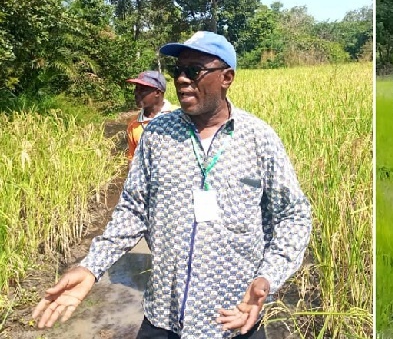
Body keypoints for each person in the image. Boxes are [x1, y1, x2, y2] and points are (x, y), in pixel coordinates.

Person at [32, 31, 313, 339]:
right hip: (164, 318)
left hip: (234, 318)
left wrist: (269, 276)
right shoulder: (157, 135)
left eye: (193, 70)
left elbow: (293, 215)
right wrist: (91, 267)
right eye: (177, 71)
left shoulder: (259, 138)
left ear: (226, 77)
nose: (181, 79)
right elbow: (132, 209)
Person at [125, 70, 174, 161]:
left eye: (142, 90)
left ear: (157, 93)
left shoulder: (177, 115)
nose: (136, 93)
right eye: (136, 89)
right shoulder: (133, 124)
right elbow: (132, 160)